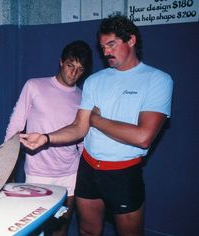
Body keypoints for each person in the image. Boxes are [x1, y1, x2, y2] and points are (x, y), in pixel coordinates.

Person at [20, 14, 173, 236]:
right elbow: (78, 128)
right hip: (88, 170)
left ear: (131, 40)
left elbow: (143, 137)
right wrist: (46, 138)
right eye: (102, 47)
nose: (106, 52)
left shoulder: (157, 80)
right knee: (88, 231)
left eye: (111, 44)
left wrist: (95, 119)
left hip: (123, 172)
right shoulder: (94, 81)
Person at [5, 40, 92, 236]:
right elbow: (16, 125)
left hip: (70, 172)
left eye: (79, 69)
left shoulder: (82, 97)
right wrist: (6, 166)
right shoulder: (35, 85)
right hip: (38, 172)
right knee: (35, 228)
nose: (73, 73)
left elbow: (81, 139)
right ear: (61, 62)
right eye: (70, 66)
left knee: (61, 225)